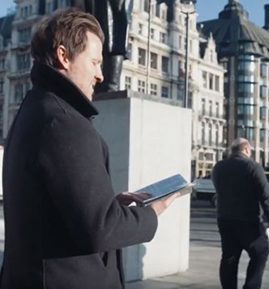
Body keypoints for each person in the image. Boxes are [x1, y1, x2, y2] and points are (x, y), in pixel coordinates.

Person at [0, 9, 178, 289]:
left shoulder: (36, 109)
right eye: (94, 62)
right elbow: (101, 229)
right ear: (64, 56)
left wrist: (110, 206)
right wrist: (151, 214)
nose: (100, 75)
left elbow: (56, 210)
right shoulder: (64, 123)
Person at [212, 137, 269, 289]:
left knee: (229, 257)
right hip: (248, 221)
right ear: (247, 150)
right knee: (260, 252)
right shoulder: (253, 167)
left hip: (225, 220)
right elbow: (265, 194)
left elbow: (219, 190)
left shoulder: (218, 167)